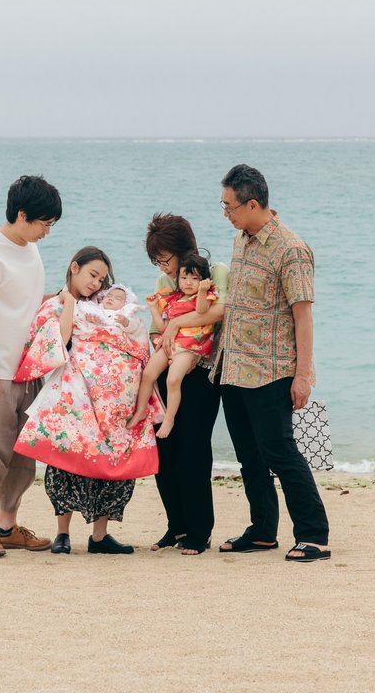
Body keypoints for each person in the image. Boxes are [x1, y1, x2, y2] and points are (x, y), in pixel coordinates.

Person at [215, 164, 331, 561]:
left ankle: (314, 534)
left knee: (281, 453)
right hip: (233, 368)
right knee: (249, 456)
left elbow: (303, 316)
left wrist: (302, 376)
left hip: (272, 371)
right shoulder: (240, 240)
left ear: (251, 203)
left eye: (229, 205)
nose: (225, 212)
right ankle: (263, 530)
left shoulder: (291, 249)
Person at [13, 247, 162, 554]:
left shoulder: (106, 304)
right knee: (67, 456)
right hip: (76, 392)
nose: (96, 284)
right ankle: (63, 533)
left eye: (102, 279)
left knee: (115, 455)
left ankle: (100, 535)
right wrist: (68, 302)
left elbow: (133, 336)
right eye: (92, 275)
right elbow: (61, 340)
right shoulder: (56, 303)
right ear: (74, 267)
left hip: (114, 398)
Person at [0, 175, 61, 558]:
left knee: (22, 456)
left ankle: (6, 527)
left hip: (28, 369)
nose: (46, 232)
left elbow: (28, 305)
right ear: (22, 214)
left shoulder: (30, 250)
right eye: (44, 224)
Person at [142, 214, 229, 556]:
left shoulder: (215, 271)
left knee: (193, 451)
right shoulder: (165, 281)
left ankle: (199, 532)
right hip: (169, 367)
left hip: (203, 370)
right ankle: (175, 526)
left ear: (183, 248)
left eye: (165, 258)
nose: (162, 267)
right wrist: (159, 332)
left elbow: (218, 311)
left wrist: (176, 323)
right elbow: (158, 325)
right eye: (157, 261)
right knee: (164, 451)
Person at [129, 254, 219, 438]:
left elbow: (202, 310)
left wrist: (202, 291)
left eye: (195, 278)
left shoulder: (206, 296)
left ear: (204, 281)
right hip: (171, 342)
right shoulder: (174, 299)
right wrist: (154, 308)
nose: (188, 282)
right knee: (148, 374)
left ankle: (169, 419)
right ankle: (140, 411)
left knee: (173, 379)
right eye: (184, 277)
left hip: (191, 346)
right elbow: (163, 327)